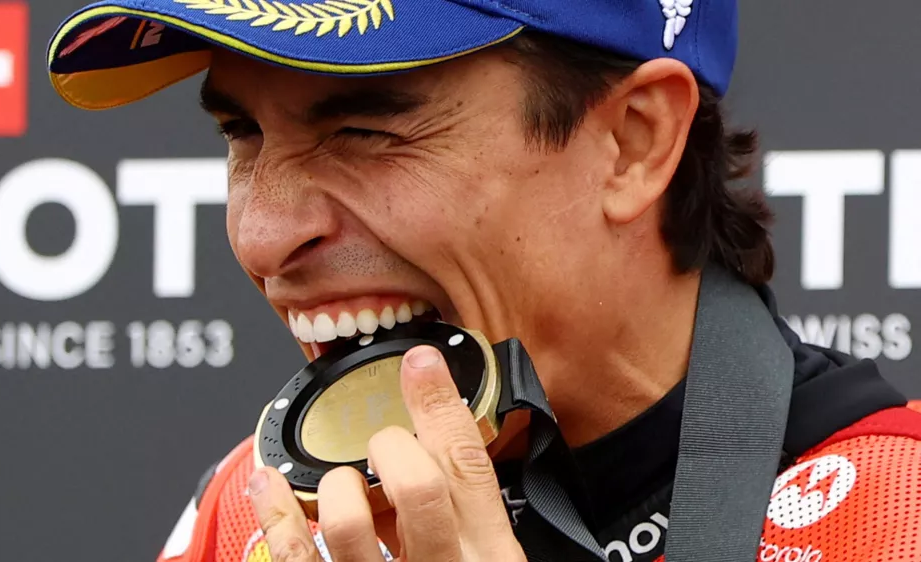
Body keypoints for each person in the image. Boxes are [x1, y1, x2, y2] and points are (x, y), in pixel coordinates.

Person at [46, 1, 921, 560]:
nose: (264, 235)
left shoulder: (892, 520)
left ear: (635, 141)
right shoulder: (250, 515)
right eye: (242, 136)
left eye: (363, 130)